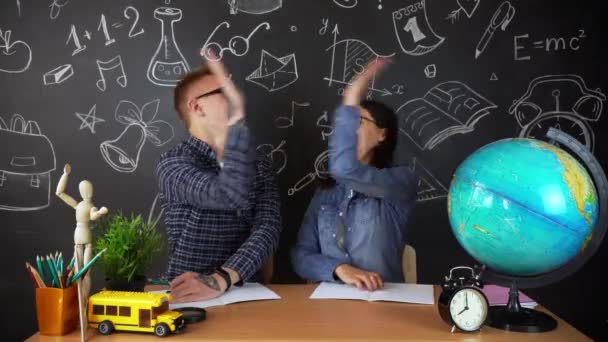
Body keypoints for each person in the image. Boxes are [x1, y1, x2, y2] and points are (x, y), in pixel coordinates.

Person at [156, 52, 282, 303]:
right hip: (189, 294)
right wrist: (235, 128)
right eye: (223, 92)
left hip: (245, 291)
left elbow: (268, 227)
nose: (234, 99)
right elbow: (226, 195)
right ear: (196, 106)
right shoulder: (173, 163)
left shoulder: (258, 164)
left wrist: (223, 278)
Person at [291, 59, 417, 290]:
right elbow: (301, 256)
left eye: (357, 121)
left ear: (382, 135)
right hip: (330, 307)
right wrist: (338, 269)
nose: (348, 132)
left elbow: (344, 168)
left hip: (383, 304)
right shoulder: (326, 192)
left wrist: (352, 97)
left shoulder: (400, 181)